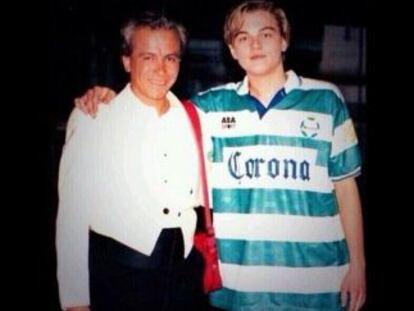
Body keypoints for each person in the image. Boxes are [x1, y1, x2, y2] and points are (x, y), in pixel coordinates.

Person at [75, 1, 366, 310]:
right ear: (231, 49)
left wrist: (358, 267)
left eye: (266, 34)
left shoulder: (326, 99)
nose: (254, 44)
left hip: (317, 281)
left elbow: (346, 189)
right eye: (243, 37)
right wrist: (105, 97)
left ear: (284, 40)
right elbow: (152, 102)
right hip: (239, 288)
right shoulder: (210, 107)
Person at [56, 12, 210, 311]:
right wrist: (76, 300)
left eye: (170, 58)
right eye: (148, 57)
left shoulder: (195, 119)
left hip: (182, 276)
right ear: (127, 61)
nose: (161, 69)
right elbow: (71, 216)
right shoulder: (95, 117)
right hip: (120, 274)